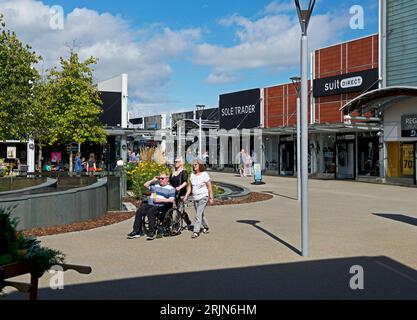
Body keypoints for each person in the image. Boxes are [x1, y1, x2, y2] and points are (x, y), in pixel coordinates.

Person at [127, 172, 176, 240]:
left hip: (162, 206)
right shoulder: (155, 186)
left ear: (167, 179)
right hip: (151, 204)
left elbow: (171, 200)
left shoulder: (171, 189)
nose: (160, 180)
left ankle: (151, 232)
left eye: (162, 178)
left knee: (151, 211)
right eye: (159, 178)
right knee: (140, 210)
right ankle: (136, 231)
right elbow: (145, 185)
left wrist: (160, 200)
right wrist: (153, 180)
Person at [184, 159, 214, 239]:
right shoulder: (192, 175)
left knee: (198, 214)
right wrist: (186, 195)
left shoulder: (205, 174)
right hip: (195, 197)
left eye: (196, 164)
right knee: (200, 214)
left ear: (200, 165)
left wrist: (211, 197)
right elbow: (190, 187)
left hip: (203, 197)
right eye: (193, 165)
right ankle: (206, 227)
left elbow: (209, 187)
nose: (194, 166)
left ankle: (196, 231)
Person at [169, 157, 192, 229]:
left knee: (180, 209)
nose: (176, 163)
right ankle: (169, 222)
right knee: (171, 208)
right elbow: (169, 182)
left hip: (181, 193)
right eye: (175, 161)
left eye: (178, 162)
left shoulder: (183, 172)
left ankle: (177, 225)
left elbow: (185, 182)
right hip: (172, 193)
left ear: (181, 163)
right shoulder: (173, 172)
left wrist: (179, 187)